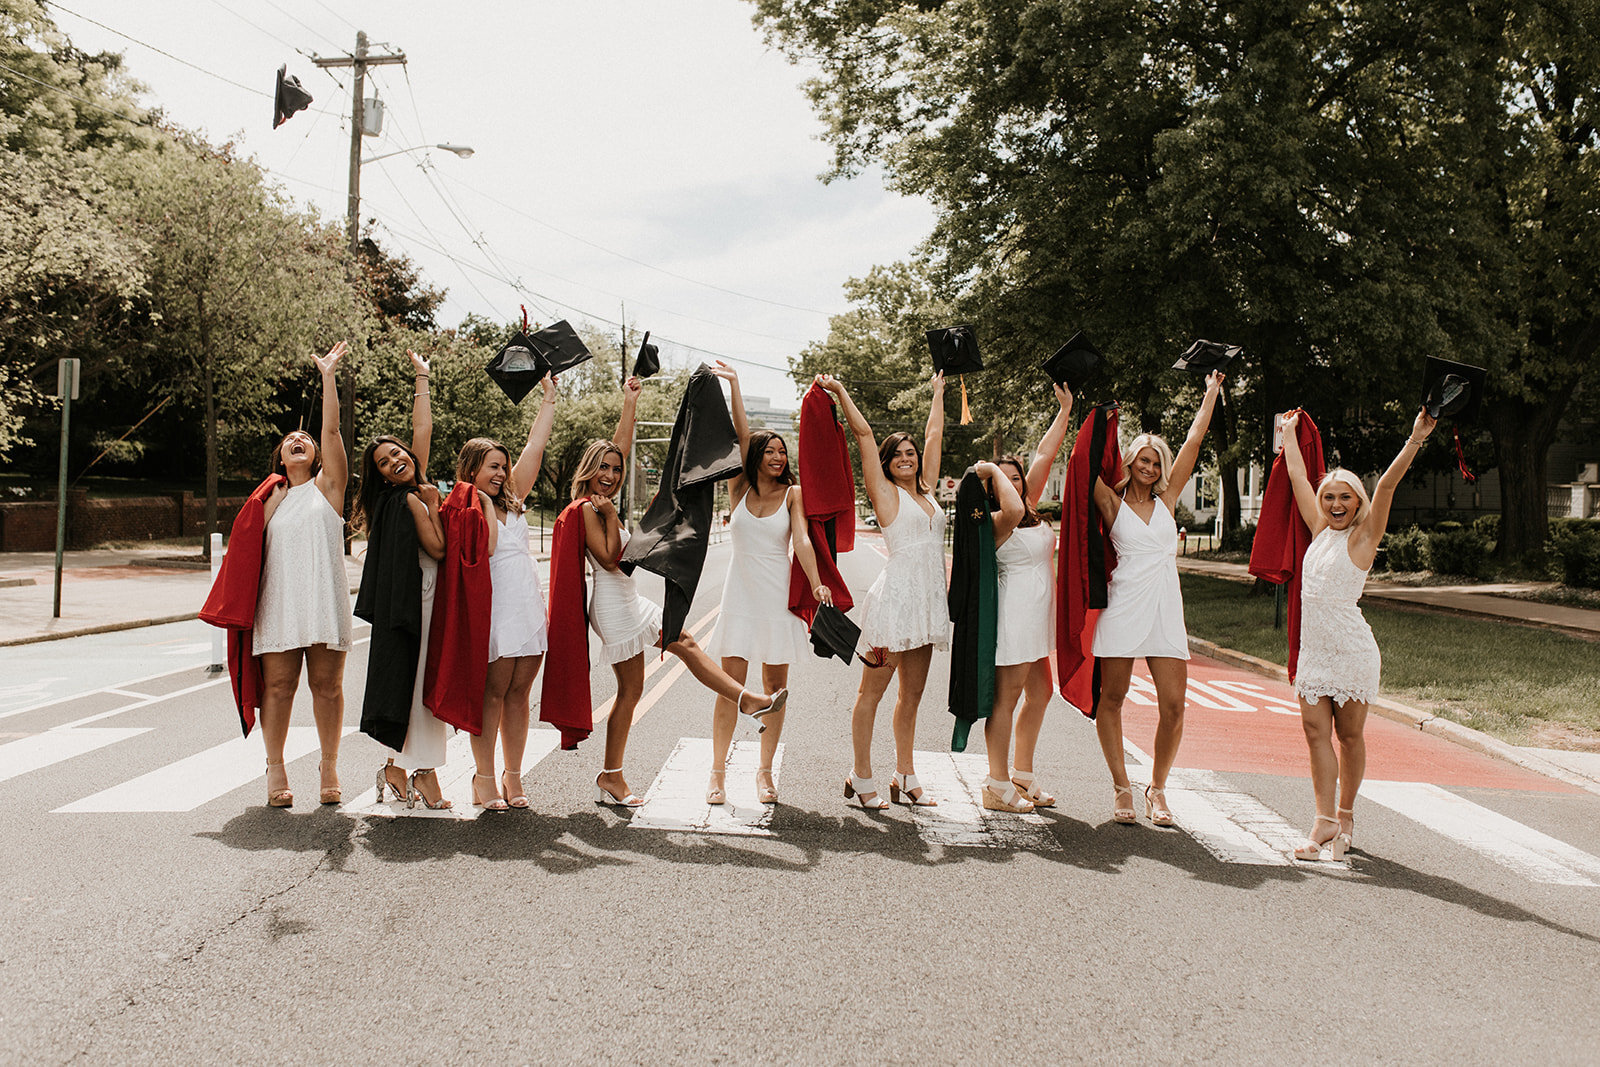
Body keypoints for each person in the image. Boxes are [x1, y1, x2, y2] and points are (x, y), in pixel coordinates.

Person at [574, 377, 788, 807]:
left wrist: (630, 404)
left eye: (615, 470)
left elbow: (619, 447)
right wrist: (612, 515)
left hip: (628, 599)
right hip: (612, 605)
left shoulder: (601, 498)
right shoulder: (586, 508)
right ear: (589, 470)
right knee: (647, 676)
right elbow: (613, 560)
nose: (611, 475)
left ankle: (611, 775)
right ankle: (745, 699)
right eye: (604, 469)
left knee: (665, 660)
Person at [1280, 407, 1435, 861]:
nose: (1335, 504)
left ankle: (1345, 816)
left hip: (1351, 652)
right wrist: (1288, 434)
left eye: (1345, 497)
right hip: (1314, 653)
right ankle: (1324, 819)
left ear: (1358, 501)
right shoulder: (1318, 530)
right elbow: (1297, 477)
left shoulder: (1363, 537)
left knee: (1349, 737)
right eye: (1329, 496)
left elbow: (1386, 486)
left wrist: (1416, 437)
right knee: (1314, 732)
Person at [1090, 370, 1223, 826]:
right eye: (1143, 460)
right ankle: (1121, 786)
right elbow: (1084, 462)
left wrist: (1210, 394)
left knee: (1173, 705)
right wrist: (1081, 410)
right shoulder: (1112, 502)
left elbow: (1194, 440)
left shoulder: (1167, 501)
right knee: (1112, 698)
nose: (1149, 468)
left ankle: (1158, 788)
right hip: (1124, 606)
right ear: (1130, 462)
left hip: (1165, 609)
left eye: (1156, 462)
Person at [703, 362, 832, 805]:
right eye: (771, 451)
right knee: (730, 688)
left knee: (775, 692)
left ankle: (764, 772)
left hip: (778, 600)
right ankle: (717, 772)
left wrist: (816, 582)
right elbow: (741, 435)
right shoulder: (738, 489)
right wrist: (735, 386)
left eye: (783, 452)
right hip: (739, 598)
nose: (779, 457)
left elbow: (802, 540)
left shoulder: (792, 495)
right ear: (757, 455)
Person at [817, 372, 947, 809]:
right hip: (893, 606)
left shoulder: (928, 491)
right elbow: (864, 435)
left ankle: (905, 774)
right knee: (871, 694)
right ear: (888, 463)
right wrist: (841, 391)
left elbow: (934, 434)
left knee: (912, 696)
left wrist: (937, 394)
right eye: (898, 455)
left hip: (926, 608)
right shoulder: (886, 494)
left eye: (911, 453)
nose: (907, 459)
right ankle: (860, 775)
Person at [254, 342, 353, 807]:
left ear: (316, 457)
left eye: (306, 440)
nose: (300, 439)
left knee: (327, 687)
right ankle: (275, 768)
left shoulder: (328, 488)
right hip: (278, 602)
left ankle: (328, 764)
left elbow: (331, 429)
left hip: (323, 598)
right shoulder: (267, 500)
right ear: (280, 456)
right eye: (291, 439)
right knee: (278, 687)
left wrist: (328, 377)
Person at [354, 350, 452, 809]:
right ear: (380, 477)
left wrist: (422, 378)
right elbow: (439, 549)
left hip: (420, 595)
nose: (394, 460)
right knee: (422, 685)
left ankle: (396, 768)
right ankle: (424, 775)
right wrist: (433, 504)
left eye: (396, 452)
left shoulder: (406, 491)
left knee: (413, 684)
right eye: (383, 462)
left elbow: (422, 431)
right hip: (422, 595)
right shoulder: (410, 500)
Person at [452, 398, 556, 811]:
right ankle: (483, 777)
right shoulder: (462, 505)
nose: (501, 473)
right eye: (492, 466)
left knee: (519, 694)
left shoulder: (513, 498)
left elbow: (535, 445)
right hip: (493, 608)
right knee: (491, 694)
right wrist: (480, 501)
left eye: (503, 466)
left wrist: (548, 398)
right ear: (472, 469)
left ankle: (514, 775)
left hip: (527, 603)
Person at [980, 380, 1075, 812]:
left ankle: (1022, 773)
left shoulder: (1029, 506)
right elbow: (1013, 504)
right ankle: (996, 783)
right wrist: (993, 474)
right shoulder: (996, 520)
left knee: (1040, 694)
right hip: (1014, 614)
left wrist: (1065, 410)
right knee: (1008, 698)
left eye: (1017, 478)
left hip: (1039, 616)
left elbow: (1043, 453)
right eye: (1004, 479)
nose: (1014, 483)